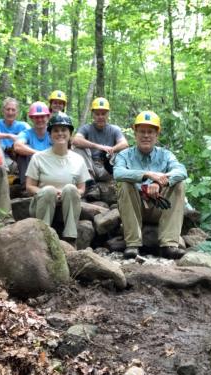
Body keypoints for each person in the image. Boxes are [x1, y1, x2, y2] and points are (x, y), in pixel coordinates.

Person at [113, 111, 187, 260]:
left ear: (156, 135)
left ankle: (169, 244)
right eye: (142, 131)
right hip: (136, 205)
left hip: (160, 206)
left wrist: (158, 183)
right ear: (135, 133)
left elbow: (181, 170)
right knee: (124, 183)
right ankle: (133, 244)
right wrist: (146, 175)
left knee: (179, 183)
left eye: (150, 132)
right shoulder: (125, 155)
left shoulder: (166, 155)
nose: (146, 135)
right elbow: (118, 173)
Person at [26, 112, 90, 247]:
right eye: (55, 130)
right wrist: (51, 191)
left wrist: (66, 193)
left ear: (70, 134)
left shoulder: (78, 159)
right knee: (48, 190)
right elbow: (30, 186)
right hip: (44, 201)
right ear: (50, 135)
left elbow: (81, 188)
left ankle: (70, 239)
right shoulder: (38, 157)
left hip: (68, 203)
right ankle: (43, 237)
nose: (60, 133)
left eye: (64, 130)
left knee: (71, 188)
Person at [72, 97, 128, 199]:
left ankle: (114, 184)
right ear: (93, 114)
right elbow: (75, 140)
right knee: (78, 149)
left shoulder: (114, 129)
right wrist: (98, 146)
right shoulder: (86, 128)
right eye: (97, 114)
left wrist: (112, 149)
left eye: (103, 114)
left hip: (107, 166)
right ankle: (90, 183)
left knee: (122, 153)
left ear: (108, 114)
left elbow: (124, 144)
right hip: (91, 166)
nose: (100, 117)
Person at [13, 101, 52, 184]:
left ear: (48, 117)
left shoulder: (53, 133)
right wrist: (39, 154)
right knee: (22, 154)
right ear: (31, 118)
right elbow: (17, 146)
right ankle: (26, 185)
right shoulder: (26, 133)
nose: (39, 119)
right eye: (36, 117)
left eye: (42, 116)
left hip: (50, 167)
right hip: (32, 169)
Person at [0, 97, 30, 173]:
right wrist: (9, 136)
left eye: (13, 110)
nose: (10, 112)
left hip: (18, 159)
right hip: (0, 159)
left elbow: (33, 134)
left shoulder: (23, 125)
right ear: (3, 111)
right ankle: (4, 169)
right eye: (8, 109)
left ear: (17, 112)